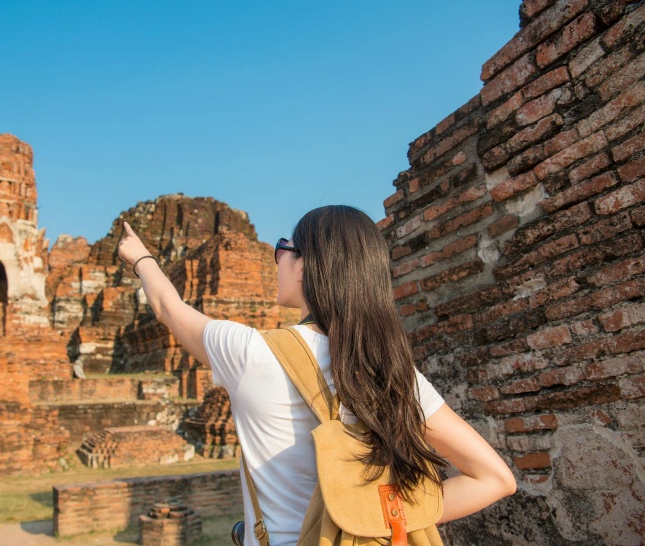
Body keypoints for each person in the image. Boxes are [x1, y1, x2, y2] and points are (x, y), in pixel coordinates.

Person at [118, 205, 516, 546]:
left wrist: (141, 258)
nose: (275, 259)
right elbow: (496, 479)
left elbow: (167, 306)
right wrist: (379, 517)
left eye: (282, 250)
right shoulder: (393, 371)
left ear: (304, 267)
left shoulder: (248, 352)